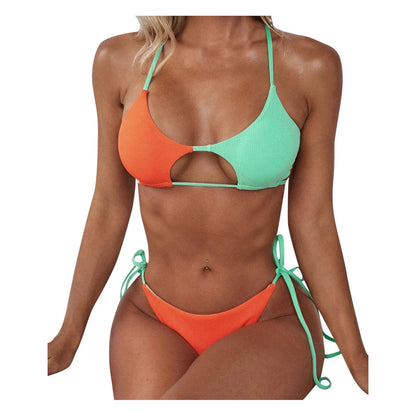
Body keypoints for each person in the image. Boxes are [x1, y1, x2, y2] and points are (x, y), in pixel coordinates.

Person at [47, 15, 368, 399]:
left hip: (268, 317)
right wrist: (68, 337)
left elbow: (313, 221)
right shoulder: (119, 59)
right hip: (151, 317)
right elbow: (108, 206)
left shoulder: (309, 65)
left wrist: (359, 360)